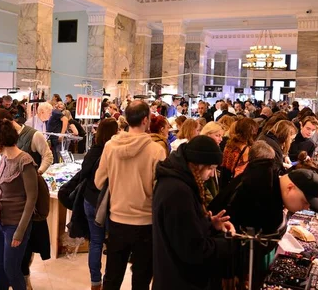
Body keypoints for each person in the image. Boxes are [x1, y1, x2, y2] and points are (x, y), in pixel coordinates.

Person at [212, 154, 318, 289]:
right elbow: (239, 238)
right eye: (305, 202)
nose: (306, 207)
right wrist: (233, 273)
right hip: (226, 269)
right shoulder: (261, 198)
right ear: (290, 187)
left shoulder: (267, 187)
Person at [94, 100, 167, 290]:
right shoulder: (156, 150)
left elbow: (98, 181)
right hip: (145, 222)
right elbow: (160, 190)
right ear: (146, 120)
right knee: (141, 278)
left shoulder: (111, 146)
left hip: (117, 219)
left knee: (112, 276)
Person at [152, 135, 236, 290]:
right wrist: (229, 244)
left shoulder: (177, 182)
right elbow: (193, 249)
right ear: (197, 165)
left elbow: (182, 231)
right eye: (210, 168)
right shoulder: (178, 191)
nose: (212, 174)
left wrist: (209, 224)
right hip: (180, 280)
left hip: (173, 276)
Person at [0, 110, 52, 288]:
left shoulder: (24, 161)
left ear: (0, 140)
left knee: (12, 268)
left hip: (16, 223)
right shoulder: (3, 159)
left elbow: (31, 198)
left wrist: (20, 231)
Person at [82, 118, 119, 290]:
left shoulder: (92, 151)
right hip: (110, 203)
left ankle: (95, 282)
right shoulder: (114, 151)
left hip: (90, 201)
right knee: (113, 244)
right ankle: (108, 282)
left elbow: (84, 174)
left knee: (95, 242)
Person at [220, 118, 259, 188]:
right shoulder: (246, 149)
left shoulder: (229, 144)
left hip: (225, 181)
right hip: (236, 185)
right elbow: (241, 173)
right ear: (250, 131)